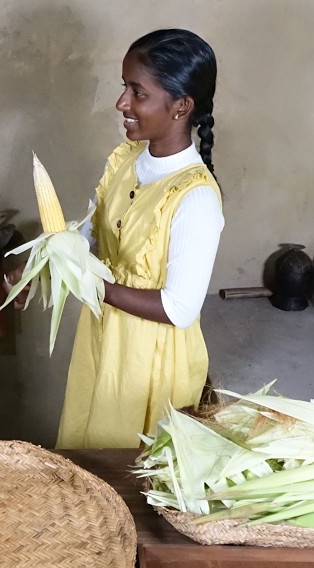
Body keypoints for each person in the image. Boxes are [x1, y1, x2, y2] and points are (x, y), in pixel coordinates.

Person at [26, 29, 224, 449]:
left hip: (151, 361)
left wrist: (92, 284)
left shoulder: (196, 198)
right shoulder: (127, 159)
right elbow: (90, 235)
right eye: (124, 88)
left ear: (181, 106)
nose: (121, 103)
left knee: (132, 475)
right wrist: (41, 266)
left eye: (137, 92)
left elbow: (179, 308)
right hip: (104, 339)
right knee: (92, 452)